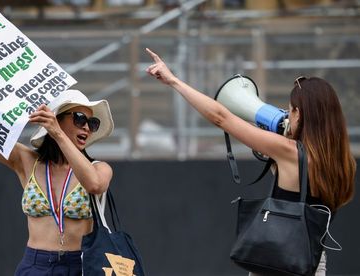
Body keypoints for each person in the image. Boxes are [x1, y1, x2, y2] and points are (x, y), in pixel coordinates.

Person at [145, 48, 356, 275]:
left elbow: (221, 117)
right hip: (313, 262)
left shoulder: (289, 151)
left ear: (300, 114)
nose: (287, 115)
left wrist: (174, 81)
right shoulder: (344, 162)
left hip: (278, 258)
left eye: (291, 110)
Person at [0, 28, 115, 276]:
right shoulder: (27, 161)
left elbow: (95, 185)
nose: (87, 127)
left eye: (92, 123)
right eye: (79, 118)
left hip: (82, 265)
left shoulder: (100, 168)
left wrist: (56, 132)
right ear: (58, 118)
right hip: (35, 265)